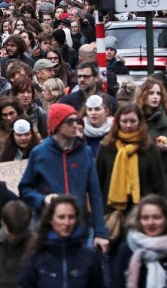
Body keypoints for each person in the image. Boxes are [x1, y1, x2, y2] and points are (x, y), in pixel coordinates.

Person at [18, 103, 109, 250]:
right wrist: (42, 200)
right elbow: (24, 189)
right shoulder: (39, 153)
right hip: (48, 228)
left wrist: (100, 231)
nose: (75, 125)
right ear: (57, 125)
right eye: (70, 121)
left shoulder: (85, 152)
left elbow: (95, 194)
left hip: (79, 227)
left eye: (76, 121)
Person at [95, 103, 166, 218]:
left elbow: (159, 184)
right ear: (118, 122)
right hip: (111, 213)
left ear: (140, 122)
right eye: (124, 121)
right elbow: (98, 181)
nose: (128, 125)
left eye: (133, 121)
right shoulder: (107, 147)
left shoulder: (149, 149)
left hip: (143, 215)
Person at [17, 195, 104, 288]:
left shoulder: (89, 257)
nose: (66, 223)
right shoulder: (36, 256)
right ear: (51, 219)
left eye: (71, 217)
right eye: (61, 217)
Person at [0, 200, 32, 288]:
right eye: (10, 231)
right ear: (2, 222)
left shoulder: (34, 248)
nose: (14, 237)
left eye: (18, 232)